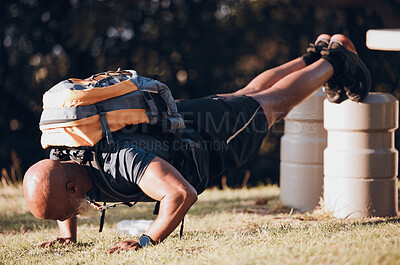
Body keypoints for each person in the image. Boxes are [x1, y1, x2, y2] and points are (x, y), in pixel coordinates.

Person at [23, 34, 370, 254]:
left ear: (72, 186)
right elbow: (57, 186)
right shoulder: (66, 151)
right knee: (248, 95)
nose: (71, 216)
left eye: (68, 212)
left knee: (274, 104)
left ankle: (335, 62)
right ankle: (317, 54)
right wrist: (68, 237)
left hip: (211, 139)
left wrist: (147, 240)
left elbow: (180, 193)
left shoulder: (118, 157)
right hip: (184, 120)